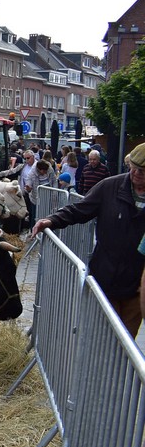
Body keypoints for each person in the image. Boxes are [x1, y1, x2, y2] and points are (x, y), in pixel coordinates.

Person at [31, 142, 145, 336]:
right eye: (132, 168)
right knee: (103, 340)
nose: (135, 174)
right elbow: (79, 210)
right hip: (105, 281)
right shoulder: (111, 187)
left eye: (141, 171)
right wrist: (51, 220)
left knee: (126, 346)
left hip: (136, 288)